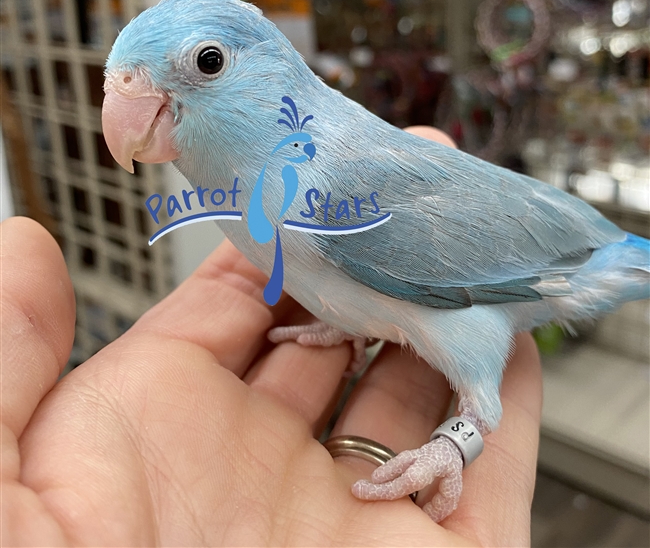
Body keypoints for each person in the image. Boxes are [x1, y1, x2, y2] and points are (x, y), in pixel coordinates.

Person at [1, 128, 541, 546]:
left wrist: (451, 447)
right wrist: (354, 317)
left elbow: (475, 292)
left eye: (207, 64)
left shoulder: (336, 188)